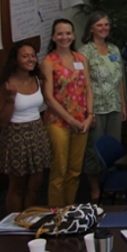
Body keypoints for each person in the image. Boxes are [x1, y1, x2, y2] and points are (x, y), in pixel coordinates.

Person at [0, 41, 52, 212]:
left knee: (36, 185)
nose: (30, 59)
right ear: (15, 60)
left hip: (37, 133)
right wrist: (11, 99)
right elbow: (1, 121)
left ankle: (29, 220)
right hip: (15, 135)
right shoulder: (5, 84)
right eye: (25, 56)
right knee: (17, 186)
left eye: (33, 55)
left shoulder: (38, 79)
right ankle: (14, 225)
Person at [42, 18, 93, 207]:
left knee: (75, 171)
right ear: (53, 37)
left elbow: (88, 87)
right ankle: (56, 215)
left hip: (82, 122)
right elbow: (48, 97)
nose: (65, 37)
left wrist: (90, 116)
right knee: (59, 171)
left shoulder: (81, 59)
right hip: (59, 122)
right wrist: (70, 120)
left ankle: (69, 211)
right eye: (60, 33)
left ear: (73, 35)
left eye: (68, 33)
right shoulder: (48, 62)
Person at [78, 12, 127, 204]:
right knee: (94, 149)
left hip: (114, 105)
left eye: (106, 24)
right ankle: (94, 188)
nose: (104, 28)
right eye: (99, 25)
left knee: (114, 148)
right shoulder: (85, 52)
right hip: (96, 107)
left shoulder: (114, 49)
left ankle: (112, 186)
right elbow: (83, 84)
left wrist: (123, 105)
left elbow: (120, 80)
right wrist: (88, 112)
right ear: (91, 28)